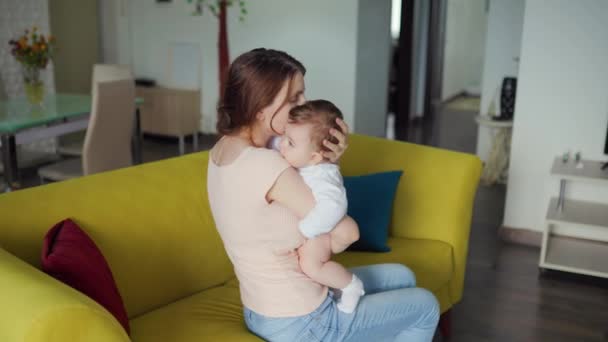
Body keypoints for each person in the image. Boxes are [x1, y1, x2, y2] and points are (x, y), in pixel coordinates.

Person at [207, 48, 439, 341]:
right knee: (426, 306)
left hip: (262, 308)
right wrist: (324, 163)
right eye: (294, 98)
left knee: (402, 276)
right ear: (261, 108)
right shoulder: (268, 164)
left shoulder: (221, 151)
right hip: (302, 319)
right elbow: (345, 234)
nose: (303, 105)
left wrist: (326, 158)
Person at [276, 99, 364, 313]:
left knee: (313, 267)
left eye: (290, 143)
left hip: (318, 231)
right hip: (318, 228)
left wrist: (306, 230)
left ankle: (350, 285)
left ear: (315, 156)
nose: (281, 145)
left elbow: (334, 206)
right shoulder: (307, 161)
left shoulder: (322, 176)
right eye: (284, 138)